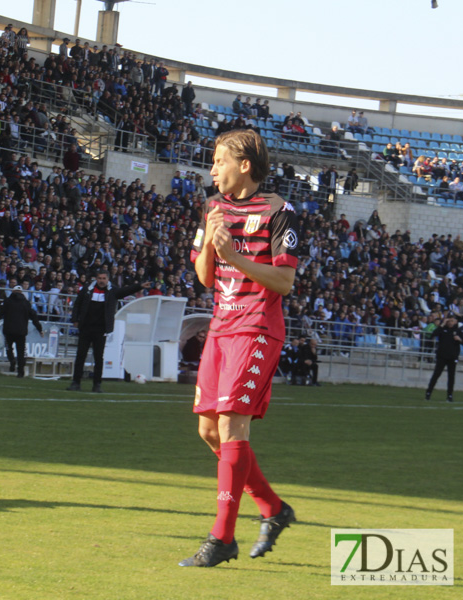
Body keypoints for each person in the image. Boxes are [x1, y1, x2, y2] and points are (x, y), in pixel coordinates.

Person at [182, 129, 298, 568]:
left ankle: (221, 539)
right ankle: (272, 508)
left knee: (231, 427)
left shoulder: (278, 212)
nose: (212, 169)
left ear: (244, 165)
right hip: (221, 327)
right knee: (209, 432)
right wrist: (212, 246)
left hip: (257, 329)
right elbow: (204, 277)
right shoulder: (213, 209)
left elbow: (284, 282)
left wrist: (236, 256)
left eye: (218, 161)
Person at [67, 271, 148, 392]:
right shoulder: (87, 289)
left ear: (108, 279)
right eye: (99, 278)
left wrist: (139, 286)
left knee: (99, 358)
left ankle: (97, 385)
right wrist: (75, 319)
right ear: (96, 279)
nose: (101, 280)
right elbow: (77, 305)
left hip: (101, 329)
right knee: (80, 356)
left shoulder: (113, 291)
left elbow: (125, 291)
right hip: (86, 327)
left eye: (104, 278)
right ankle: (76, 383)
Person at [0, 284, 42, 378]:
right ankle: (21, 372)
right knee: (21, 352)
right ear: (22, 292)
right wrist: (39, 328)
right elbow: (34, 316)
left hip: (8, 330)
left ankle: (12, 360)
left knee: (9, 348)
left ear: (13, 291)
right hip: (21, 332)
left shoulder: (7, 301)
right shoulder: (26, 303)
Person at [425, 316, 463, 402]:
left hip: (452, 357)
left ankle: (450, 395)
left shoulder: (458, 331)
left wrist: (460, 340)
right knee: (436, 375)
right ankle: (428, 393)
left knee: (451, 377)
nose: (450, 323)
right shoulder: (442, 329)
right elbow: (433, 334)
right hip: (442, 356)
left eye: (452, 321)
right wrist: (442, 324)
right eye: (449, 321)